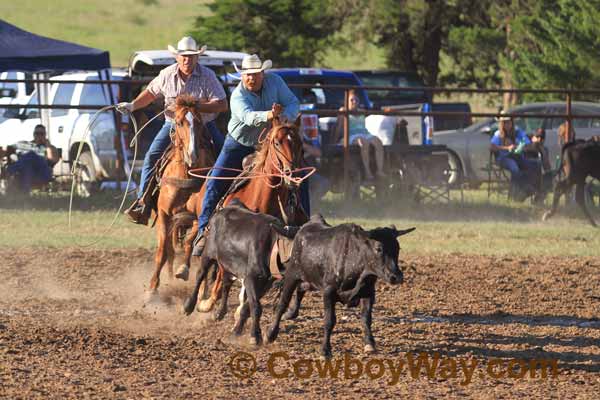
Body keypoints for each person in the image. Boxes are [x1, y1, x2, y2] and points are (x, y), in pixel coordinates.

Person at [191, 54, 306, 256]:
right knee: (215, 182)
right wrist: (269, 115)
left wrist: (284, 116)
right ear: (242, 76)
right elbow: (247, 117)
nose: (250, 78)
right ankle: (203, 232)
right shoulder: (238, 96)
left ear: (262, 74)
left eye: (254, 74)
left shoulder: (275, 82)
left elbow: (293, 102)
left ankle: (305, 223)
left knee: (297, 173)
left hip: (269, 143)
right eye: (246, 75)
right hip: (239, 143)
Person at [119, 36, 229, 225]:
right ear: (177, 57)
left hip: (203, 124)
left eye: (191, 56)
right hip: (173, 124)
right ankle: (142, 201)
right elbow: (151, 93)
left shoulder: (208, 76)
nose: (187, 60)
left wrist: (195, 108)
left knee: (223, 153)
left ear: (197, 58)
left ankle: (228, 199)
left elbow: (222, 104)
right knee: (152, 155)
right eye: (184, 56)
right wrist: (133, 105)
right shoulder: (167, 74)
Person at [490, 111, 542, 201]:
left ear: (512, 122)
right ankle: (513, 195)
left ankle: (532, 191)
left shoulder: (518, 132)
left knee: (536, 165)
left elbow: (527, 143)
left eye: (509, 121)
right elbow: (492, 147)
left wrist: (521, 146)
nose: (507, 124)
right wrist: (507, 148)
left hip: (518, 156)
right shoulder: (498, 134)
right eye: (505, 122)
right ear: (502, 124)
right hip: (504, 157)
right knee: (515, 169)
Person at [335, 89, 386, 181]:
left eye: (356, 100)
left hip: (364, 132)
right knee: (363, 142)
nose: (354, 102)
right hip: (351, 134)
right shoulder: (343, 110)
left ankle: (380, 170)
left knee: (378, 142)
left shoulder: (361, 111)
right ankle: (367, 171)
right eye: (352, 100)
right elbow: (339, 127)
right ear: (347, 102)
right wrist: (335, 140)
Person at [4, 124, 59, 193]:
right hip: (26, 171)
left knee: (31, 155)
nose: (39, 136)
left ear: (45, 135)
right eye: (37, 133)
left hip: (42, 172)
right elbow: (7, 149)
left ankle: (9, 171)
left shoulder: (51, 148)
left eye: (41, 134)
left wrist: (48, 146)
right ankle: (24, 192)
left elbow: (53, 161)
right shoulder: (26, 144)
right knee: (27, 165)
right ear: (33, 134)